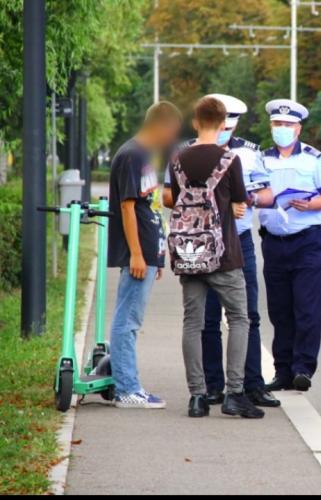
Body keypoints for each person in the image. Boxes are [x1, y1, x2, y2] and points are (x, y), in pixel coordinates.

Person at [163, 94, 279, 409]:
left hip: (189, 252)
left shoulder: (177, 158)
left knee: (194, 322)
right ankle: (234, 393)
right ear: (222, 124)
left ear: (196, 123)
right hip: (225, 253)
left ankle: (198, 396)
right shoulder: (230, 160)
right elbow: (240, 203)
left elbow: (171, 198)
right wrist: (231, 205)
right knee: (240, 317)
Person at [259, 99, 321, 393]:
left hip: (307, 241)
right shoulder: (261, 159)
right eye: (277, 124)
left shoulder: (315, 159)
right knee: (279, 310)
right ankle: (282, 371)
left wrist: (309, 205)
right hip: (274, 242)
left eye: (287, 125)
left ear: (298, 128)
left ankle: (303, 368)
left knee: (305, 307)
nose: (282, 129)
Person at [107, 101, 182, 409]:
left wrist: (156, 254)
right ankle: (127, 389)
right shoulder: (131, 156)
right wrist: (137, 254)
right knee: (128, 320)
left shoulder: (144, 156)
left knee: (131, 318)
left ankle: (126, 384)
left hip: (148, 253)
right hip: (137, 254)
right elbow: (127, 208)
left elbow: (148, 206)